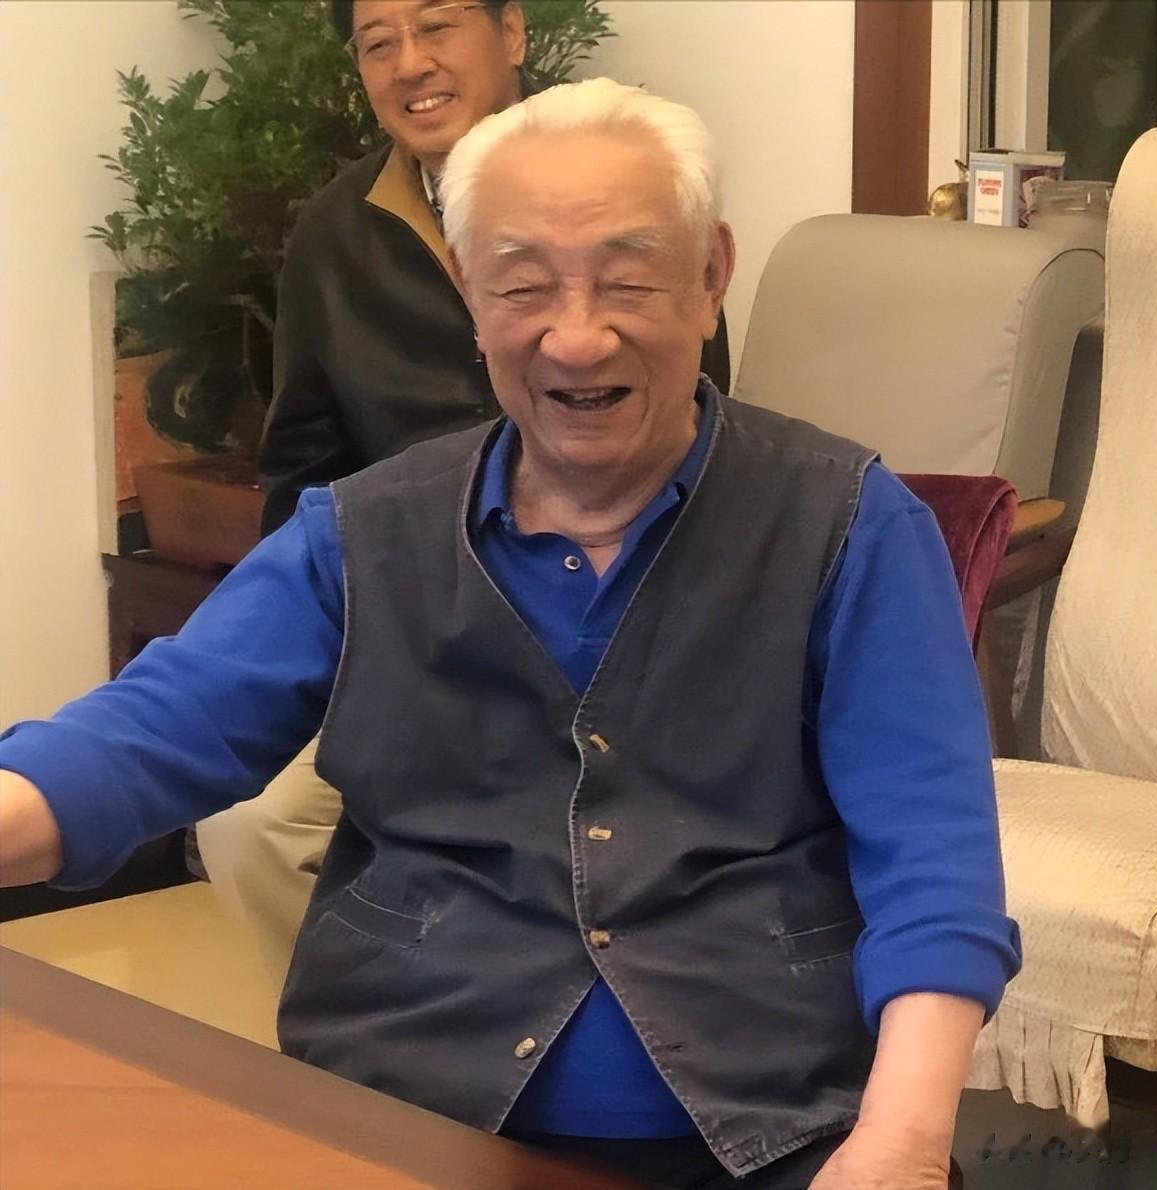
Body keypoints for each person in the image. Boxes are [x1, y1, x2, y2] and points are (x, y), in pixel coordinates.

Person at [0, 80, 1020, 1190]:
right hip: (403, 1116)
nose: (576, 336)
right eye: (524, 286)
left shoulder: (850, 525)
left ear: (710, 277)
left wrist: (900, 1143)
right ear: (466, 293)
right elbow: (138, 742)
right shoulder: (362, 531)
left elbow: (934, 861)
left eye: (628, 280)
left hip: (780, 1133)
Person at [196, 0, 730, 977]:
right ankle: (372, 1043)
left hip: (614, 626)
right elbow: (303, 460)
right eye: (377, 43)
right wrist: (314, 635)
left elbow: (697, 432)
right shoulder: (336, 235)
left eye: (436, 25)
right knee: (250, 822)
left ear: (511, 32)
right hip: (411, 629)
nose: (410, 64)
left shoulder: (624, 185)